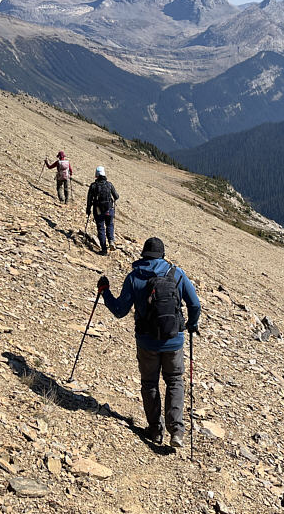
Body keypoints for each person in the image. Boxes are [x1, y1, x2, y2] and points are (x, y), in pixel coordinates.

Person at [98, 237, 201, 448]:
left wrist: (104, 291)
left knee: (149, 383)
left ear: (143, 255)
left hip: (146, 342)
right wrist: (191, 325)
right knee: (174, 381)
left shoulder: (135, 277)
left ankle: (155, 430)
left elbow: (119, 311)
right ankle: (177, 431)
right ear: (162, 255)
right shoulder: (177, 274)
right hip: (174, 340)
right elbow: (195, 305)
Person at [86, 166, 118, 255]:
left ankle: (104, 250)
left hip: (98, 210)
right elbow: (116, 196)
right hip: (109, 209)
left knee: (101, 228)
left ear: (96, 174)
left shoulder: (93, 186)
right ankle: (111, 240)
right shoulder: (109, 184)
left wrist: (88, 210)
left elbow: (89, 199)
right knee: (110, 225)